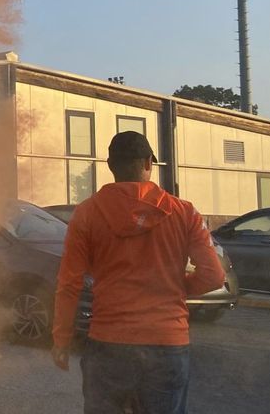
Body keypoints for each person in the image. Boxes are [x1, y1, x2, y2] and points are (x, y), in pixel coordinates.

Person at [52, 131, 225, 414]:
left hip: (109, 343)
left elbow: (69, 284)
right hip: (166, 343)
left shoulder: (86, 214)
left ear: (110, 166)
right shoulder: (184, 212)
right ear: (148, 163)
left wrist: (60, 339)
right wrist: (174, 287)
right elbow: (214, 276)